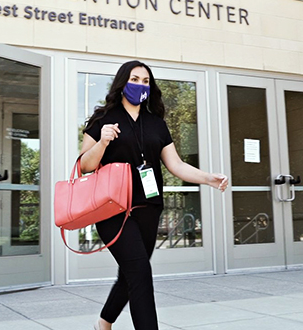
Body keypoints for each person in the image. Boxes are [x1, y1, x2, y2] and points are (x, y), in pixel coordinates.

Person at [80, 60, 229, 330]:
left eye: (146, 81)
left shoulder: (156, 124)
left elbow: (176, 165)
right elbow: (83, 165)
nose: (140, 85)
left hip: (148, 209)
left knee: (131, 275)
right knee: (140, 273)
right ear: (122, 82)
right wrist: (103, 141)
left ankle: (103, 323)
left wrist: (208, 178)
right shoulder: (103, 120)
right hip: (112, 210)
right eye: (135, 79)